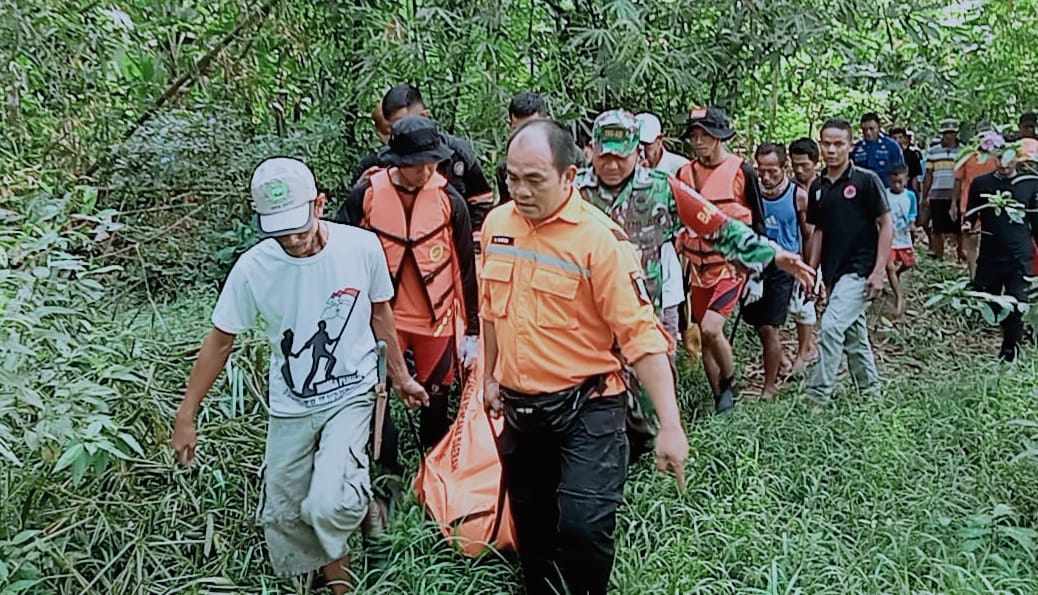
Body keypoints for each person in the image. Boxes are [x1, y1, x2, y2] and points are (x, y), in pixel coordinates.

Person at [484, 118, 812, 595]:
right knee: (534, 523)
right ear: (589, 155)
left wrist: (773, 255)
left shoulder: (644, 201)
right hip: (532, 385)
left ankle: (623, 464)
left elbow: (714, 228)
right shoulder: (500, 224)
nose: (520, 190)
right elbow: (494, 306)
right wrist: (492, 374)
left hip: (620, 346)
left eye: (533, 179)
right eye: (513, 178)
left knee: (584, 520)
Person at [171, 157, 429, 593]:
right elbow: (220, 341)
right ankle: (332, 566)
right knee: (286, 512)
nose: (292, 237)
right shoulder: (254, 268)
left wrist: (401, 378)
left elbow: (380, 314)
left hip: (351, 393)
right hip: (291, 403)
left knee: (326, 503)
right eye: (279, 229)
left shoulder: (360, 248)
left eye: (298, 223)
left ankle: (347, 563)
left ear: (320, 204)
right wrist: (186, 413)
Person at [335, 116, 480, 454]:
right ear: (398, 162)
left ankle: (434, 464)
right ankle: (384, 462)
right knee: (376, 391)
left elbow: (465, 268)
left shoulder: (449, 200)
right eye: (417, 165)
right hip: (383, 317)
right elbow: (341, 253)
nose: (426, 172)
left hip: (437, 318)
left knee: (437, 396)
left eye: (432, 163)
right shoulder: (367, 195)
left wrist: (472, 329)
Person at [675, 106, 766, 413]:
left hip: (730, 266)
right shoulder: (683, 174)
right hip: (697, 269)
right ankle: (721, 402)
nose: (698, 141)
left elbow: (759, 223)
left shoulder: (743, 171)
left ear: (718, 136)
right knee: (703, 335)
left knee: (712, 329)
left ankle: (729, 383)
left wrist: (758, 272)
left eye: (705, 135)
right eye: (694, 136)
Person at [575, 109, 685, 342]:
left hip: (645, 311)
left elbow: (713, 225)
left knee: (657, 372)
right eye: (605, 157)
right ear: (593, 150)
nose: (612, 166)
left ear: (637, 151)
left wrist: (763, 255)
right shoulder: (573, 191)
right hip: (589, 315)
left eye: (621, 157)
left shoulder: (663, 189)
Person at [805, 117, 893, 405]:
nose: (831, 150)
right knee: (855, 338)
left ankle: (816, 397)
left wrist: (879, 271)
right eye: (826, 144)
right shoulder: (817, 186)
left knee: (830, 327)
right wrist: (811, 272)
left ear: (850, 145)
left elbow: (886, 224)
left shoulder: (866, 181)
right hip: (833, 271)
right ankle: (871, 396)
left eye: (838, 144)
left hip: (860, 269)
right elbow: (818, 230)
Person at [380, 83, 495, 235]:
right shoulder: (384, 162)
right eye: (396, 126)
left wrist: (473, 240)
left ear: (424, 116)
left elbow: (481, 199)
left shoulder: (458, 152)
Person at [744, 143, 811, 399]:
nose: (766, 177)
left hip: (784, 268)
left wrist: (807, 269)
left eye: (772, 171)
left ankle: (769, 387)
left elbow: (807, 234)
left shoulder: (798, 196)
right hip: (756, 264)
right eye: (761, 171)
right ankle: (781, 360)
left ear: (784, 168)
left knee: (771, 327)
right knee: (759, 324)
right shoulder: (753, 194)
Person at [963, 135, 1038, 361]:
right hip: (990, 256)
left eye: (1009, 159)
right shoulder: (981, 184)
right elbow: (971, 215)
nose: (1004, 165)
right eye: (1000, 159)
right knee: (989, 304)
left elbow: (1036, 223)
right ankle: (1009, 331)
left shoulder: (1030, 184)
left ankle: (1009, 354)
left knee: (1017, 304)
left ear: (1016, 158)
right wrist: (967, 226)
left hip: (1019, 257)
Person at [785, 138, 820, 373]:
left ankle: (807, 349)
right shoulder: (789, 190)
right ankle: (806, 347)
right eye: (795, 165)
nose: (799, 170)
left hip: (824, 251)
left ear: (815, 163)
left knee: (808, 302)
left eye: (804, 165)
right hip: (797, 253)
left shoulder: (824, 188)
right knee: (800, 303)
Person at [954, 121, 999, 279]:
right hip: (969, 204)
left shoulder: (997, 156)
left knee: (992, 241)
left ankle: (990, 276)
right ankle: (974, 276)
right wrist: (954, 202)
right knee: (971, 240)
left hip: (993, 204)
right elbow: (958, 180)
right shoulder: (967, 155)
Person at [496, 91, 546, 204]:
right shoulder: (505, 168)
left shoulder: (568, 158)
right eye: (520, 130)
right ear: (510, 125)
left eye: (533, 129)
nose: (527, 137)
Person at [924, 119, 963, 260]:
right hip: (937, 194)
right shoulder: (933, 152)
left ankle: (961, 255)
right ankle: (939, 256)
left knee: (959, 228)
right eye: (946, 133)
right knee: (937, 227)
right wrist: (925, 195)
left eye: (951, 133)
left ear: (956, 134)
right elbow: (929, 173)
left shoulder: (963, 151)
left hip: (957, 195)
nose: (948, 136)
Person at [885, 163, 919, 317]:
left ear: (906, 179)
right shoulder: (885, 194)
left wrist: (912, 223)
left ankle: (897, 275)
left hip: (903, 237)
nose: (897, 185)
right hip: (889, 238)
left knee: (909, 263)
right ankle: (898, 297)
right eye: (894, 182)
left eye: (900, 182)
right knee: (889, 266)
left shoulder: (910, 195)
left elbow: (913, 212)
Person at [852, 112, 904, 188]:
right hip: (863, 190)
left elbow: (900, 170)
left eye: (871, 129)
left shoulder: (891, 146)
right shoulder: (857, 148)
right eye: (864, 129)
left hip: (886, 189)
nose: (868, 132)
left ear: (879, 127)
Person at [890, 126, 923, 195]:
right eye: (894, 138)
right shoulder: (888, 155)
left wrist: (915, 193)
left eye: (900, 137)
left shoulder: (912, 154)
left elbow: (915, 177)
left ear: (905, 138)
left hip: (907, 190)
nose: (897, 140)